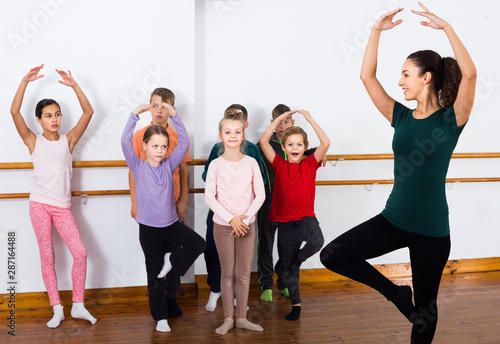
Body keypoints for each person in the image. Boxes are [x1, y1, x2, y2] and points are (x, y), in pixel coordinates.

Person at [320, 3, 476, 343]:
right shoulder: (400, 117)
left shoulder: (451, 120)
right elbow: (366, 77)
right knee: (332, 255)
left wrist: (447, 27)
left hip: (432, 231)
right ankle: (396, 295)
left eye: (406, 74)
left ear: (427, 77)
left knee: (427, 311)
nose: (400, 81)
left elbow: (472, 74)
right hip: (393, 220)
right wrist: (375, 31)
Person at [10, 64, 97, 328]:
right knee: (47, 256)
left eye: (57, 114)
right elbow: (14, 112)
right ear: (39, 120)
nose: (54, 119)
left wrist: (74, 86)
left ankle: (78, 305)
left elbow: (89, 112)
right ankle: (56, 308)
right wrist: (24, 81)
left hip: (62, 207)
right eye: (48, 116)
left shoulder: (68, 141)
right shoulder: (33, 141)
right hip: (39, 204)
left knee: (80, 253)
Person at [121, 102, 206, 333]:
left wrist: (176, 116)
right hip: (149, 230)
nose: (159, 150)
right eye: (155, 146)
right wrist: (133, 116)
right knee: (154, 274)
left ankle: (173, 261)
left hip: (170, 225)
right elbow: (125, 142)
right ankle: (160, 318)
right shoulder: (137, 166)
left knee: (199, 244)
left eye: (164, 146)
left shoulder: (169, 165)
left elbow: (185, 143)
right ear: (145, 147)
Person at [259, 109, 330, 321]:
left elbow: (325, 143)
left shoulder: (310, 164)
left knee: (317, 241)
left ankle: (296, 261)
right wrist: (279, 121)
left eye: (299, 145)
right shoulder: (278, 164)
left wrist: (310, 119)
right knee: (289, 270)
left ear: (305, 148)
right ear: (283, 148)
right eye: (290, 145)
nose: (295, 148)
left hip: (306, 218)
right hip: (285, 224)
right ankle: (296, 305)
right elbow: (263, 141)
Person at [128, 87, 190, 318]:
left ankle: (172, 297)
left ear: (172, 110)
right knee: (155, 260)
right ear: (149, 107)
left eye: (165, 107)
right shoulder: (139, 136)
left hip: (172, 207)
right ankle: (159, 306)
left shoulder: (176, 137)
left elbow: (183, 169)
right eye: (155, 105)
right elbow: (133, 171)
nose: (159, 111)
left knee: (174, 254)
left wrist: (183, 201)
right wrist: (135, 202)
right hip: (149, 210)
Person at [201, 104, 266, 312]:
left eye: (237, 131)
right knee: (214, 253)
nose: (232, 135)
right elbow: (208, 184)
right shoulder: (216, 154)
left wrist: (243, 219)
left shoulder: (252, 153)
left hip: (246, 219)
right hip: (222, 217)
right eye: (227, 131)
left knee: (242, 268)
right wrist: (231, 217)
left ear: (244, 128)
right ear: (221, 133)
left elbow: (260, 187)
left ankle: (239, 303)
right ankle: (215, 291)